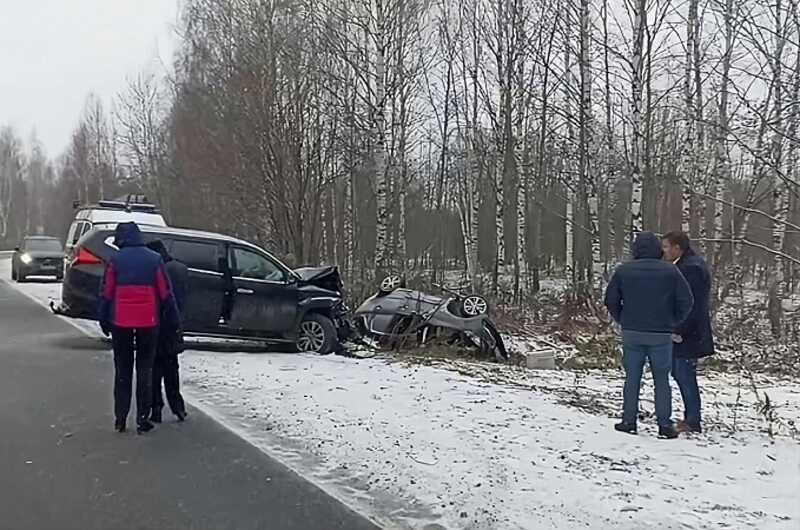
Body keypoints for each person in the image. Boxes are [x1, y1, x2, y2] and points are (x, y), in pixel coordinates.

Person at [604, 231, 694, 439]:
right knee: (662, 379)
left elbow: (611, 299)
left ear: (635, 250)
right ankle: (664, 425)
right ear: (657, 249)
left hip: (632, 332)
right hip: (661, 334)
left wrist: (623, 319)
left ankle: (629, 421)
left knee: (632, 378)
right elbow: (686, 301)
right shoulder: (670, 272)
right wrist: (672, 321)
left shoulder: (624, 271)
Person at [99, 222, 179, 434]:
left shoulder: (115, 260)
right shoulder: (154, 259)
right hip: (148, 322)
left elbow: (107, 292)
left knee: (122, 370)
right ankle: (142, 419)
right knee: (145, 370)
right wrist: (173, 320)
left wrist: (103, 318)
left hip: (120, 322)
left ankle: (120, 418)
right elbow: (165, 293)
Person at [662, 231, 715, 433]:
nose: (664, 251)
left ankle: (693, 420)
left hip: (688, 332)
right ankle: (691, 417)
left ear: (677, 247)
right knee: (680, 372)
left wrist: (679, 329)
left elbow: (692, 304)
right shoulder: (688, 265)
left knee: (684, 373)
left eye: (666, 247)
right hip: (688, 330)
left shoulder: (690, 269)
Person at [146, 240, 189, 423]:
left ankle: (156, 407)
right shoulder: (180, 269)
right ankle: (177, 407)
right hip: (173, 324)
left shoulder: (154, 271)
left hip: (154, 323)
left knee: (154, 370)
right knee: (172, 368)